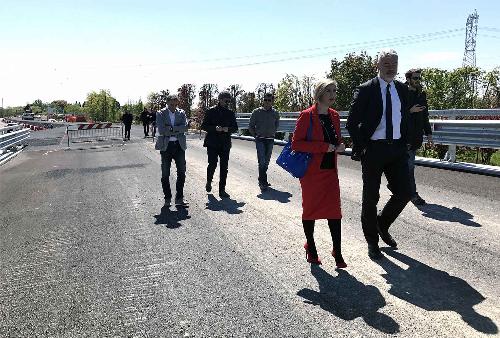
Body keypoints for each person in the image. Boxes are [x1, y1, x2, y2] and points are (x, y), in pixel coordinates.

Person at [346, 49, 411, 260]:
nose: (390, 67)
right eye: (386, 63)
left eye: (394, 63)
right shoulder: (366, 89)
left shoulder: (402, 89)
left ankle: (382, 224)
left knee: (405, 192)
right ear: (378, 65)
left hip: (397, 149)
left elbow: (405, 117)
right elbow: (351, 122)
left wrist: (407, 141)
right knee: (371, 198)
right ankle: (372, 243)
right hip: (373, 149)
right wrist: (362, 146)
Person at [291, 79, 347, 269]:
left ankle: (337, 251)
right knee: (311, 210)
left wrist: (340, 146)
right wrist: (325, 147)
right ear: (319, 93)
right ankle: (311, 247)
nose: (333, 94)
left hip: (331, 171)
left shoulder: (335, 116)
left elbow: (337, 139)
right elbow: (296, 144)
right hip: (312, 173)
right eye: (328, 91)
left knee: (334, 211)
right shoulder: (307, 116)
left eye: (334, 91)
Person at [201, 91, 238, 199]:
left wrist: (228, 129)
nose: (227, 103)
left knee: (224, 167)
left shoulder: (230, 113)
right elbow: (204, 126)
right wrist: (214, 128)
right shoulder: (211, 111)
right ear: (220, 99)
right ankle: (209, 181)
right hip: (212, 142)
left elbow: (235, 128)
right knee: (212, 164)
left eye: (229, 101)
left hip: (225, 143)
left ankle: (222, 190)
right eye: (226, 100)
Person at [405, 68, 433, 206]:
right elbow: (394, 114)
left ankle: (398, 187)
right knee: (409, 167)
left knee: (406, 167)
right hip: (404, 137)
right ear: (408, 79)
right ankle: (413, 195)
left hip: (416, 137)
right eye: (415, 78)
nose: (418, 80)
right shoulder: (401, 93)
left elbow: (424, 116)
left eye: (419, 78)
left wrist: (429, 134)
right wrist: (410, 110)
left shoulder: (421, 94)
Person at [155, 94, 188, 207]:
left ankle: (179, 198)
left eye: (175, 104)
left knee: (182, 173)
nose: (174, 107)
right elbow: (162, 130)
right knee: (165, 174)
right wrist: (177, 129)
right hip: (166, 146)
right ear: (167, 103)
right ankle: (167, 198)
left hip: (179, 145)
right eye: (171, 104)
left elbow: (185, 127)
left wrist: (171, 128)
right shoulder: (160, 113)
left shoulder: (182, 113)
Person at [249, 93, 280, 190]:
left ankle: (261, 178)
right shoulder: (256, 112)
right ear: (263, 100)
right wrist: (256, 137)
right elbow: (250, 126)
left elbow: (277, 124)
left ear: (272, 101)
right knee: (261, 161)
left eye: (269, 100)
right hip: (260, 139)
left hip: (270, 139)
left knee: (266, 162)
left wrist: (272, 132)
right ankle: (263, 182)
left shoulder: (275, 113)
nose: (267, 102)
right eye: (265, 100)